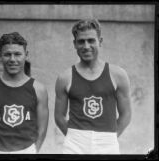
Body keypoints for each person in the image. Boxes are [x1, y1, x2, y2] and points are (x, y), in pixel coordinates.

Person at [54, 19, 132, 154]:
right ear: (74, 44)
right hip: (75, 142)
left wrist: (111, 136)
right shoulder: (65, 77)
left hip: (108, 141)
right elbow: (59, 116)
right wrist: (74, 137)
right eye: (81, 41)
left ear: (100, 41)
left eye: (91, 40)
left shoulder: (118, 75)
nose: (86, 46)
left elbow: (126, 113)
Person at [0, 32, 49, 154]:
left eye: (17, 54)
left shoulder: (38, 89)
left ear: (26, 55)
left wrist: (34, 150)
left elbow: (42, 128)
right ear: (0, 56)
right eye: (7, 54)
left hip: (27, 150)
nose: (12, 59)